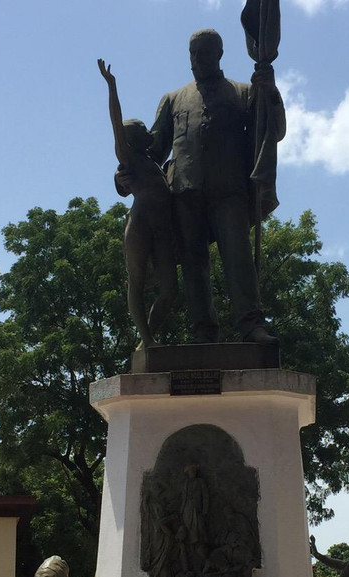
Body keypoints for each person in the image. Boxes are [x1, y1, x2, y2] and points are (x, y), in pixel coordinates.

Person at [128, 28, 285, 346]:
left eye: (204, 53)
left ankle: (251, 325)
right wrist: (126, 171)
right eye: (193, 53)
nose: (197, 59)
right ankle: (204, 331)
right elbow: (153, 150)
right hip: (184, 192)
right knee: (193, 263)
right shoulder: (173, 99)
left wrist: (269, 91)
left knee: (238, 257)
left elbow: (274, 131)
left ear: (219, 54)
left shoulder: (243, 93)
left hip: (230, 190)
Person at [97, 58, 177, 349]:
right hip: (141, 223)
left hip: (163, 228)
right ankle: (146, 339)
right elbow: (115, 123)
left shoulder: (154, 164)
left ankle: (147, 341)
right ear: (131, 139)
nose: (149, 133)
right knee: (137, 282)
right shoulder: (128, 157)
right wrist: (112, 86)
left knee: (170, 289)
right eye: (143, 129)